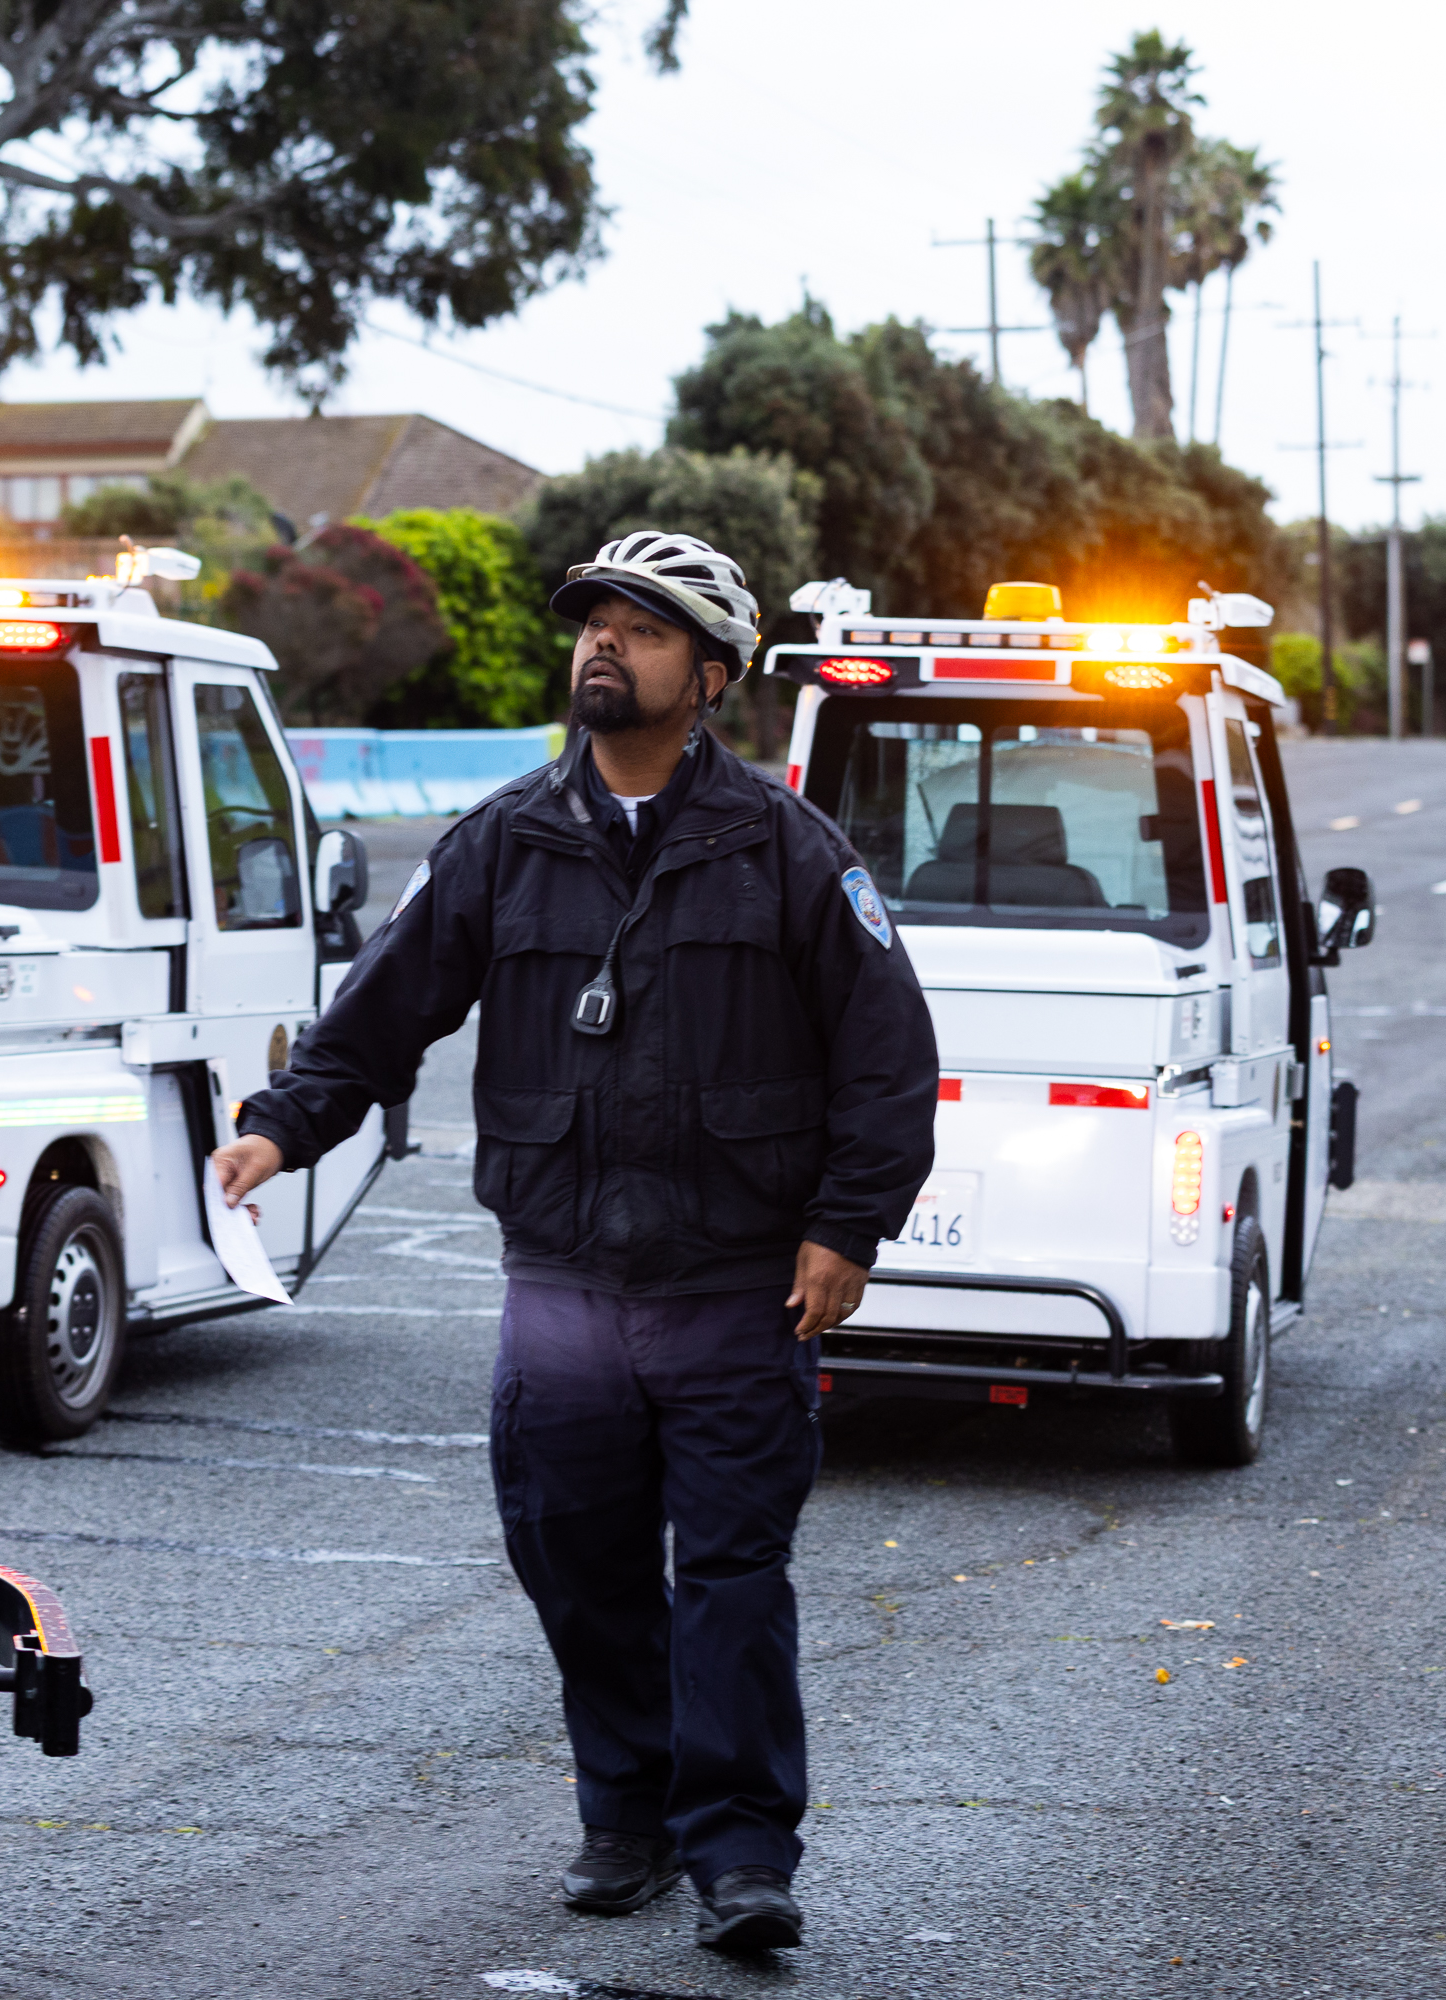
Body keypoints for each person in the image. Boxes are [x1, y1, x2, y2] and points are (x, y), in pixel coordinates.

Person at [210, 531, 940, 1953]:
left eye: (646, 630)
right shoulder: (503, 842)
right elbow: (385, 1006)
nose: (605, 646)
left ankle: (738, 1851)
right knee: (578, 1559)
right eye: (595, 623)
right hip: (562, 1291)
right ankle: (629, 1814)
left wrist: (847, 1228)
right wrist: (286, 1124)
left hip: (734, 1291)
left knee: (731, 1577)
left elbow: (888, 1057)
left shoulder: (790, 850)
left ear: (712, 675)